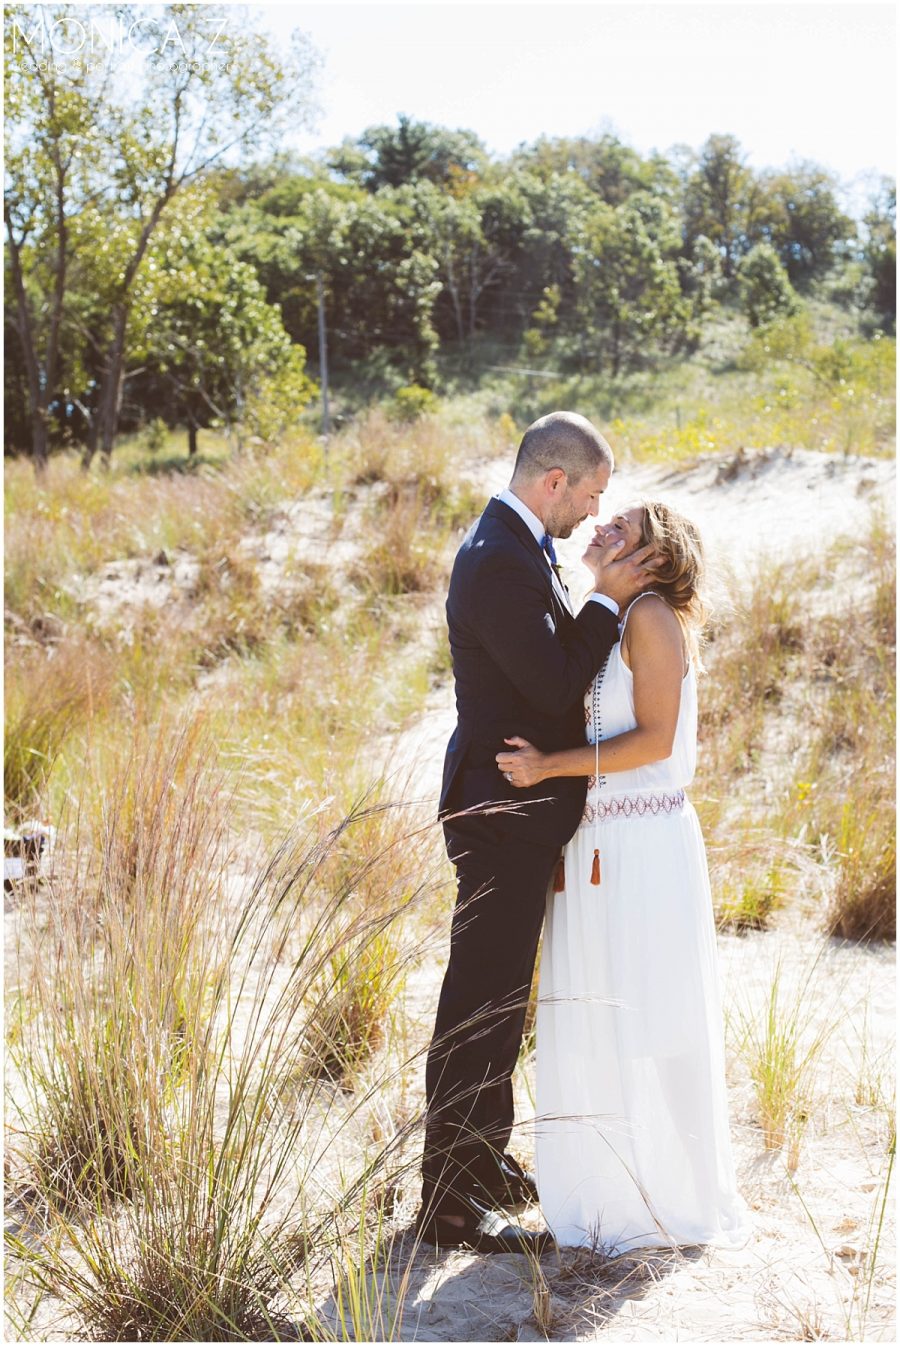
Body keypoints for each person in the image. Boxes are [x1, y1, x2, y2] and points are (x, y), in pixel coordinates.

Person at [416, 412, 657, 1255]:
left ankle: (479, 1164)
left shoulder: (518, 551)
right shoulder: (495, 563)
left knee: (500, 999)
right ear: (553, 481)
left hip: (516, 812)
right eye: (590, 494)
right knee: (478, 1003)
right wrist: (608, 601)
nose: (595, 514)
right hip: (497, 812)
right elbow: (555, 686)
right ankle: (448, 1201)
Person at [496, 500, 748, 1254]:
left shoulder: (651, 619)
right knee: (600, 1018)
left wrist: (547, 768)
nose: (604, 529)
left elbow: (654, 740)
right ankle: (611, 1192)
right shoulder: (607, 612)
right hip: (597, 840)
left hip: (642, 842)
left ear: (656, 559)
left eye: (624, 528)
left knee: (657, 1016)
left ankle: (678, 1195)